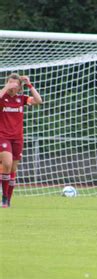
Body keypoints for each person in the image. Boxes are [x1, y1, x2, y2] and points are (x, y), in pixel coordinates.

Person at [0, 74, 43, 207]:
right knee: (7, 163)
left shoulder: (21, 98)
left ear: (19, 87)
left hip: (18, 138)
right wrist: (7, 86)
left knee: (13, 169)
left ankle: (7, 199)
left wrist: (29, 85)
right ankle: (4, 198)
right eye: (10, 83)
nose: (12, 86)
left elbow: (39, 101)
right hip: (3, 136)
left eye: (15, 84)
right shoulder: (3, 97)